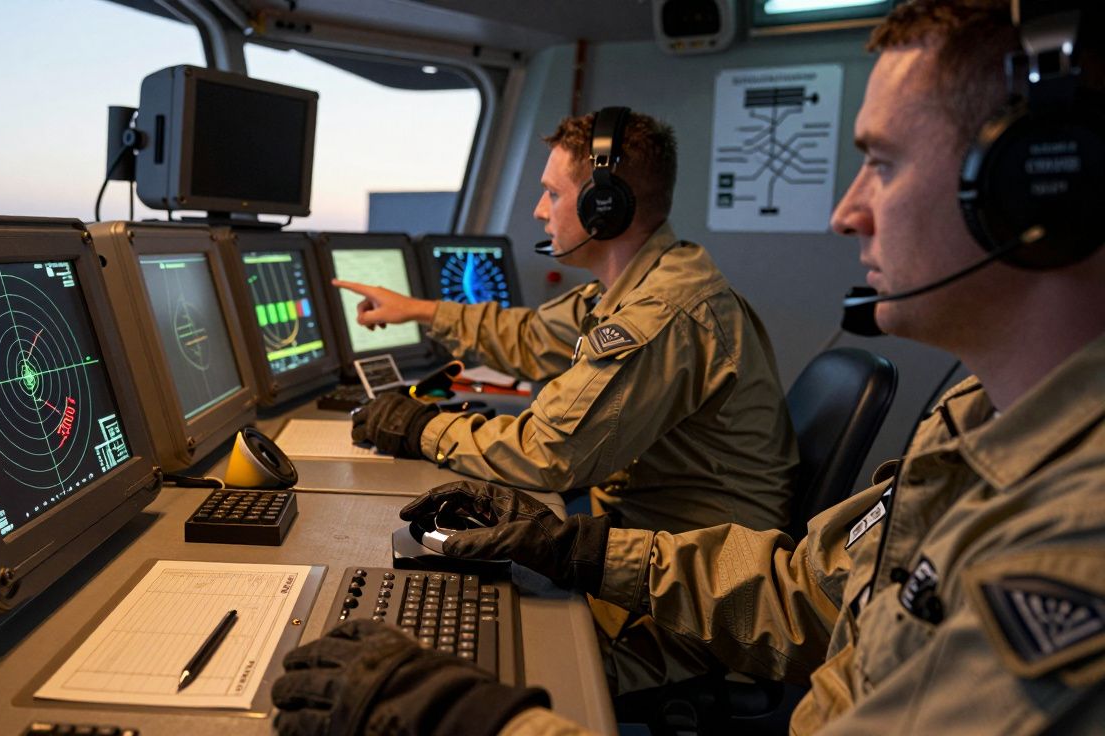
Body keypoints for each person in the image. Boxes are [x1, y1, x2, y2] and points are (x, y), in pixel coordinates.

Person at [272, 1, 1105, 732]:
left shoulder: (1068, 543)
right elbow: (804, 593)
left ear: (1037, 187)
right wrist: (583, 549)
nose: (845, 211)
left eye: (882, 164)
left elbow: (550, 454)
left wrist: (479, 721)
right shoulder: (975, 421)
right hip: (675, 568)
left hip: (680, 636)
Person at [342, 109, 798, 536]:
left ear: (604, 207)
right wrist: (418, 310)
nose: (541, 210)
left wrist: (420, 428)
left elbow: (549, 453)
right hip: (645, 526)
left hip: (696, 569)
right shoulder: (638, 283)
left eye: (554, 193)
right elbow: (534, 338)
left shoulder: (663, 313)